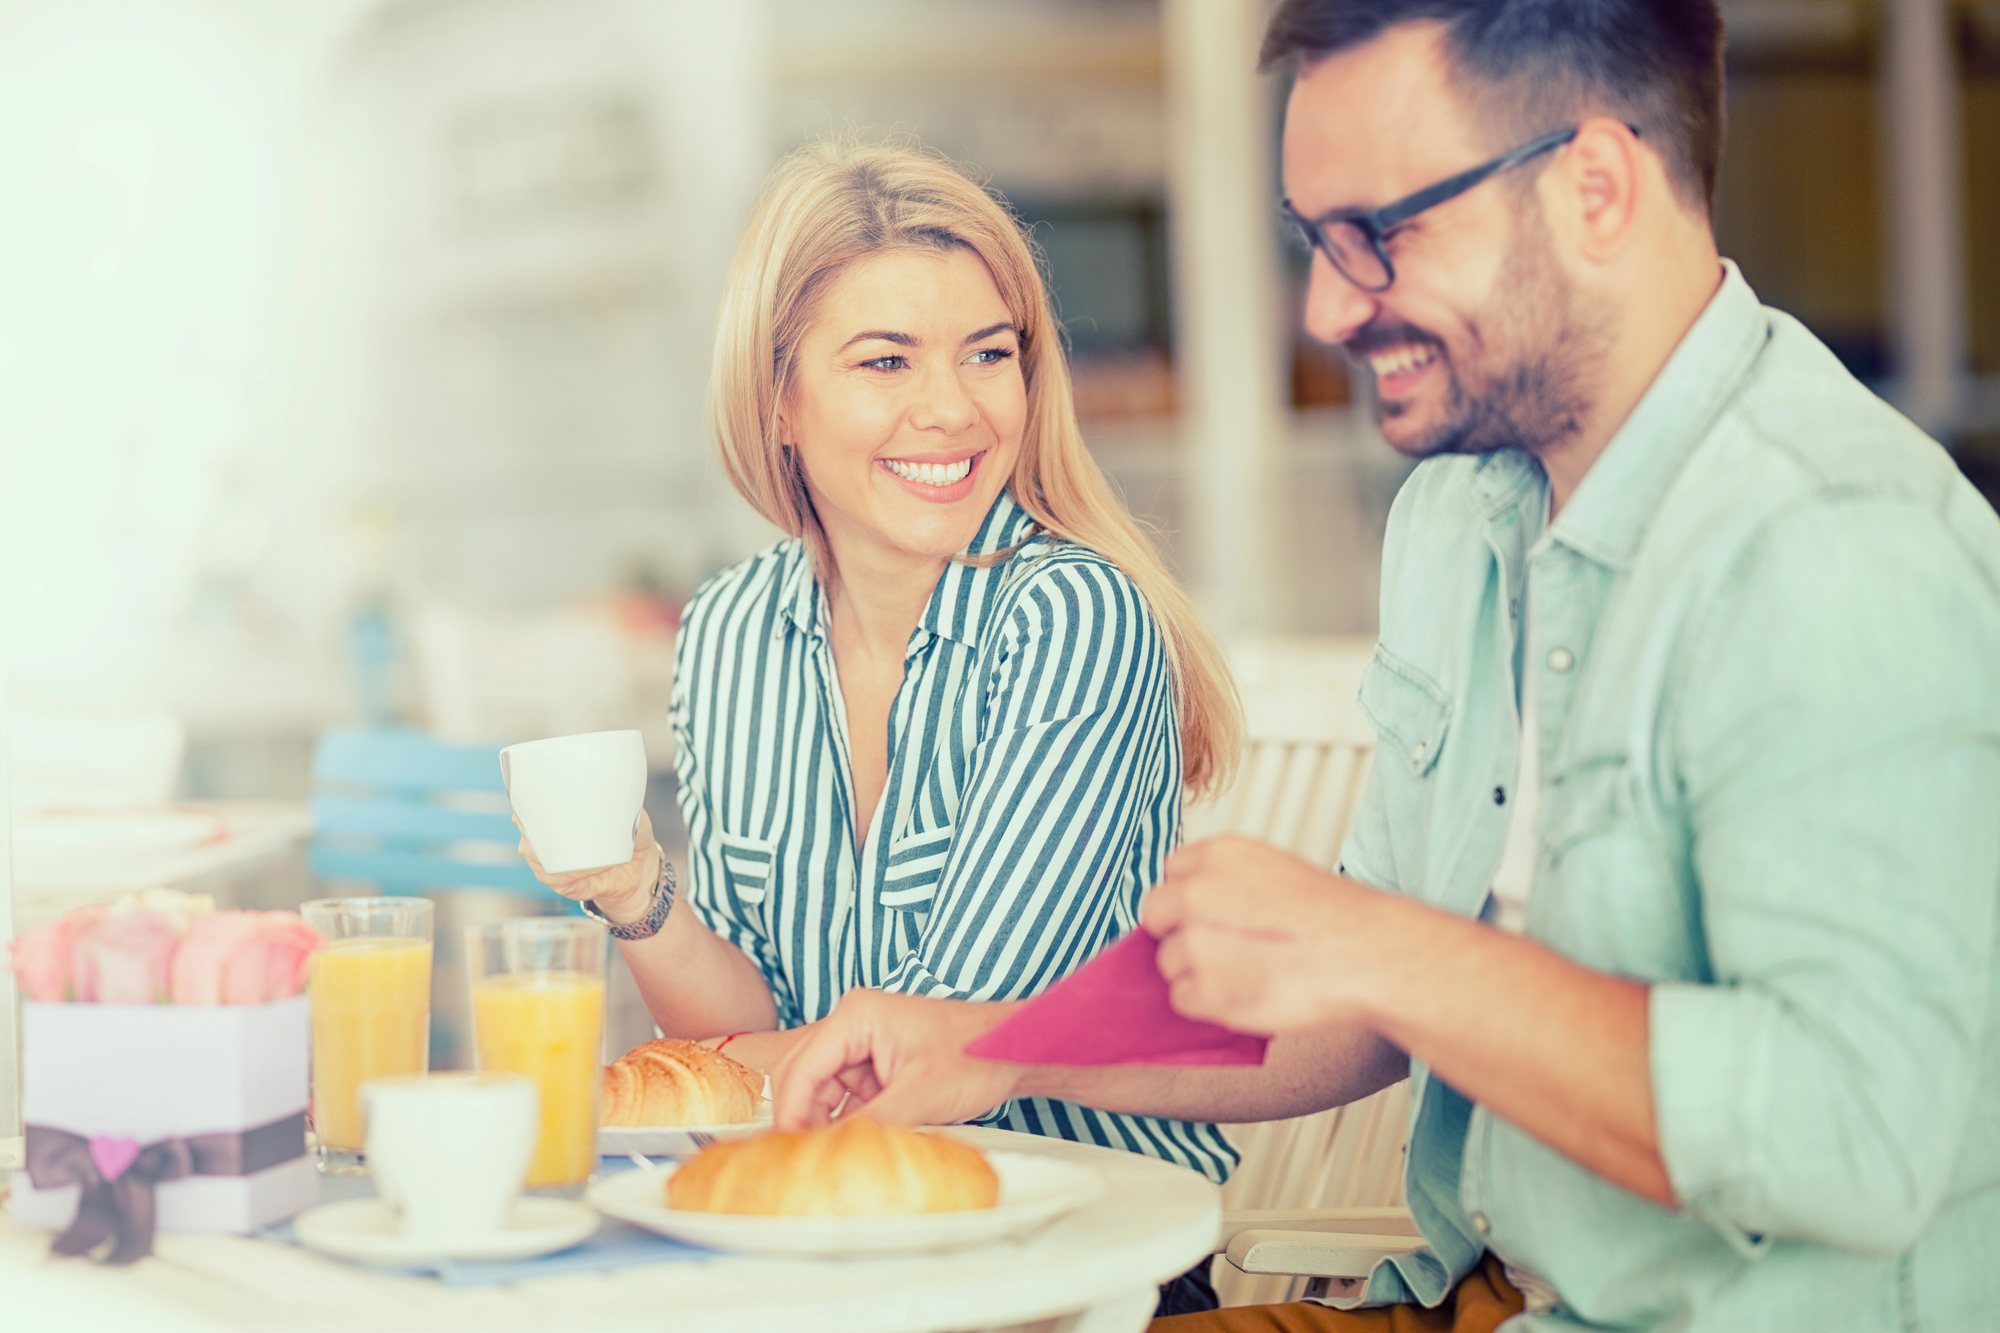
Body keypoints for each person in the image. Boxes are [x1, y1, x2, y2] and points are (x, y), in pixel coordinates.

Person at [769, 4, 2000, 1331]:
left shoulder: (1829, 547)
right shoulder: (1461, 516)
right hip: (1461, 1298)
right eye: (1313, 242)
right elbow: (1356, 1000)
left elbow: (1858, 1137)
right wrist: (987, 1048)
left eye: (1380, 235)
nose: (1326, 308)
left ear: (1596, 188)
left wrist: (1381, 949)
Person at [518, 139, 1244, 1311]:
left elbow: (939, 1067)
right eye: (885, 360)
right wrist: (633, 890)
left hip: (1064, 1271)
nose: (950, 407)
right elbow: (750, 1016)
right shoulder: (729, 629)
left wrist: (617, 1086)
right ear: (779, 402)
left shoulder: (1071, 619)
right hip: (821, 1254)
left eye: (988, 354)